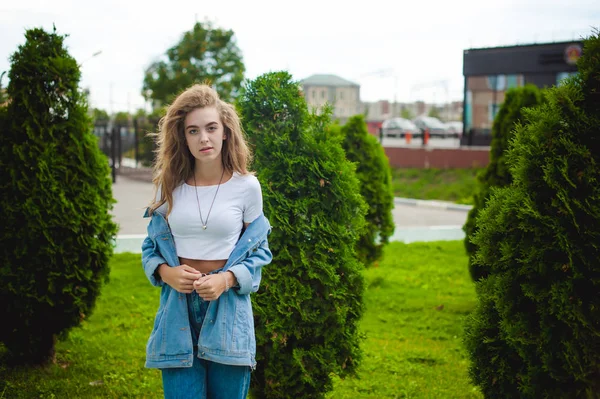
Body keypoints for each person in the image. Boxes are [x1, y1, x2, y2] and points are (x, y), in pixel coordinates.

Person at [141, 84, 272, 399]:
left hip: (227, 311)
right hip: (177, 311)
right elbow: (150, 248)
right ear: (182, 137)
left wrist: (226, 280)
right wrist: (166, 273)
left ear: (225, 131)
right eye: (193, 131)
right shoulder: (169, 187)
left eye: (211, 128)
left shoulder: (247, 187)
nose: (204, 138)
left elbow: (259, 251)